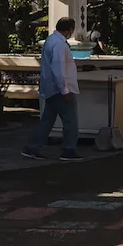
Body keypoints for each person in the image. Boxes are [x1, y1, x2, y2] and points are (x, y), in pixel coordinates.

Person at [23, 17, 81, 161]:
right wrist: (65, 89)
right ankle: (68, 149)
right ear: (70, 29)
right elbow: (59, 68)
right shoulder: (60, 45)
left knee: (47, 120)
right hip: (59, 89)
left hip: (51, 88)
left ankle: (32, 147)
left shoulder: (51, 41)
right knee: (70, 121)